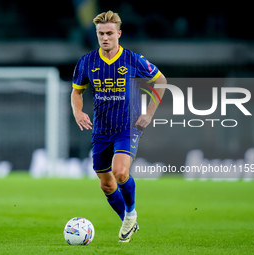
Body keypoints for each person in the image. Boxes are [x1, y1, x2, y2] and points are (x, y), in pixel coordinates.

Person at [71, 10, 167, 242]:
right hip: (101, 129)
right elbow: (77, 91)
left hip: (127, 126)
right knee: (106, 184)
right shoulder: (87, 62)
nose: (105, 37)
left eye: (109, 33)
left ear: (119, 34)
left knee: (120, 172)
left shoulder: (133, 59)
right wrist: (77, 111)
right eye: (101, 33)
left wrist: (149, 113)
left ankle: (130, 213)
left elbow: (161, 81)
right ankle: (127, 218)